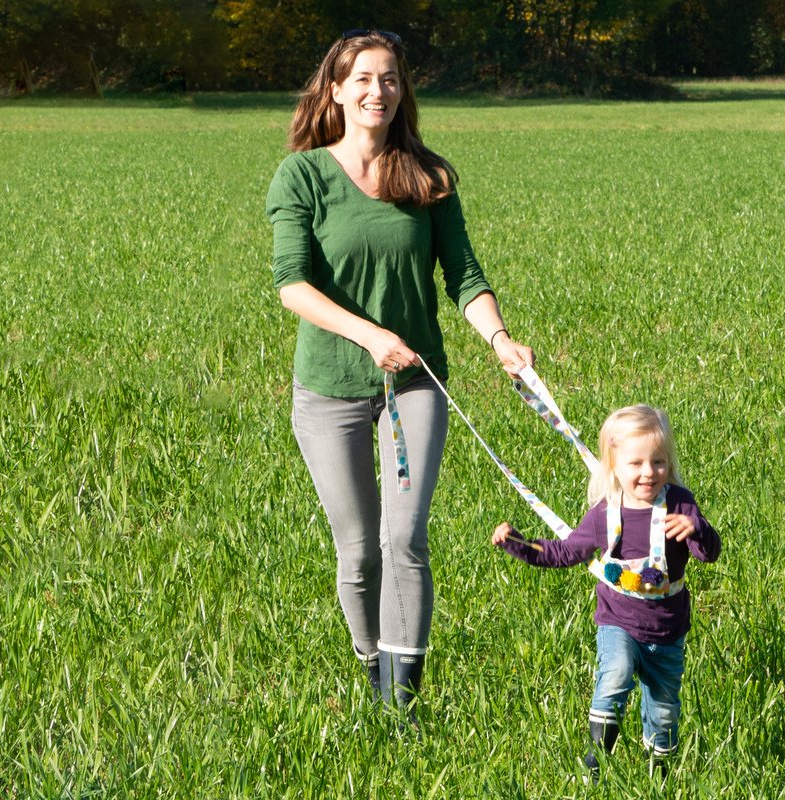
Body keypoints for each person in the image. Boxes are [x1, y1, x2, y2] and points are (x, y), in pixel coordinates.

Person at [266, 29, 534, 726]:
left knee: (404, 539)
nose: (376, 91)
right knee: (358, 554)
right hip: (329, 388)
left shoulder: (427, 176)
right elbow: (292, 285)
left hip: (415, 385)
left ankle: (400, 708)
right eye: (362, 79)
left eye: (388, 79)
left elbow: (464, 275)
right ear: (336, 90)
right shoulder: (302, 176)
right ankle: (371, 667)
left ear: (401, 90)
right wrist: (369, 335)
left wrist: (500, 339)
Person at [492, 405, 720, 781]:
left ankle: (659, 773)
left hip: (668, 628)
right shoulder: (604, 514)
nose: (649, 472)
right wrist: (518, 544)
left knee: (664, 711)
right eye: (636, 463)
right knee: (616, 673)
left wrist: (697, 529)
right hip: (619, 620)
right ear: (613, 465)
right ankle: (597, 760)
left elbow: (708, 554)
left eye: (658, 462)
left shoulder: (680, 504)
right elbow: (565, 553)